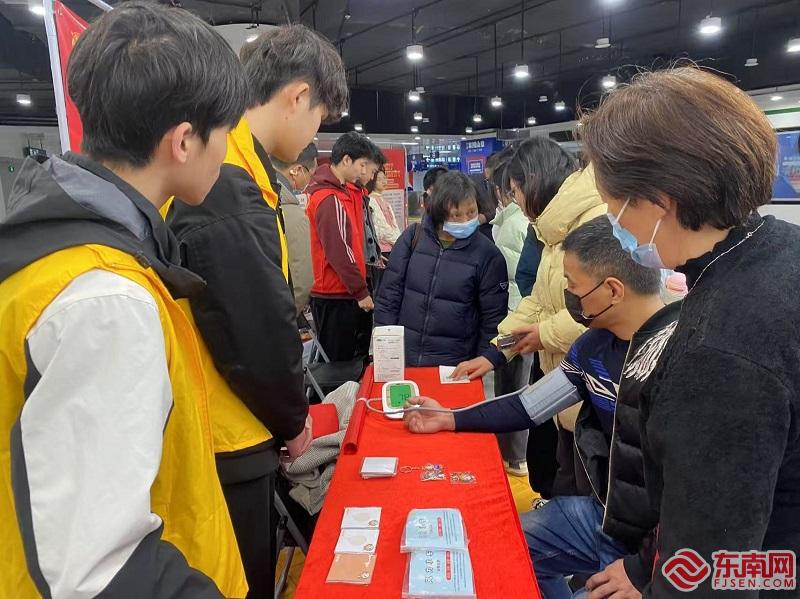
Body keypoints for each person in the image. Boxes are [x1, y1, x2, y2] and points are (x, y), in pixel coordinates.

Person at [0, 3, 250, 597]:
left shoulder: (59, 252)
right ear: (184, 141)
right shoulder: (105, 299)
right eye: (225, 133)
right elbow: (98, 569)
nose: (226, 152)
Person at [579, 66, 800, 598]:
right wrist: (644, 567)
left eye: (613, 208)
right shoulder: (778, 247)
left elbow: (711, 569)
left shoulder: (717, 351)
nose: (614, 224)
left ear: (660, 201)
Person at [404, 216, 679, 599]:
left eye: (572, 286)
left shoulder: (685, 361)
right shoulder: (593, 347)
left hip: (667, 549)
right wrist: (449, 418)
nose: (567, 296)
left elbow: (705, 496)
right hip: (605, 516)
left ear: (612, 290)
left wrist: (643, 568)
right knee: (496, 544)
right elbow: (529, 406)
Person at [165, 24, 347, 598]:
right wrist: (293, 421)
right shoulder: (226, 180)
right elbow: (252, 326)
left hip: (229, 421)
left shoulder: (241, 171)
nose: (315, 133)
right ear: (298, 96)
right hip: (228, 434)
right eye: (320, 117)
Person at [453, 137, 606, 497]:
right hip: (562, 383)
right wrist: (495, 352)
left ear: (534, 181)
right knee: (559, 475)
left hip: (592, 390)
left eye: (515, 190)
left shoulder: (592, 223)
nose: (515, 201)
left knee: (587, 493)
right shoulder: (553, 229)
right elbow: (538, 301)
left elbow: (598, 311)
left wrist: (544, 334)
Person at [374, 171, 508, 366]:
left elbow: (492, 319)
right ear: (439, 211)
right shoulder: (413, 238)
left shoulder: (487, 254)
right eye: (456, 215)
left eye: (471, 212)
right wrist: (385, 349)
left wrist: (482, 361)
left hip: (455, 365)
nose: (465, 220)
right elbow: (389, 297)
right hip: (405, 358)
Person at [306, 132, 380, 361]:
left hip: (338, 291)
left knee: (344, 359)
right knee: (339, 364)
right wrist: (360, 291)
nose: (363, 172)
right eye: (362, 165)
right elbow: (340, 251)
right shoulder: (330, 198)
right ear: (346, 160)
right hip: (336, 294)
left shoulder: (341, 192)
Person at [272, 142, 318, 316]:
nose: (309, 181)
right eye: (310, 174)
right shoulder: (291, 212)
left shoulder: (251, 188)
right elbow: (302, 279)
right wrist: (291, 313)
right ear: (297, 170)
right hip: (278, 312)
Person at [367, 167, 403, 258]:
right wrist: (398, 241)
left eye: (384, 178)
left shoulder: (384, 201)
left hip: (391, 246)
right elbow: (381, 227)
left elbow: (393, 224)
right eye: (379, 179)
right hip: (382, 249)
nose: (383, 181)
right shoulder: (371, 200)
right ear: (372, 181)